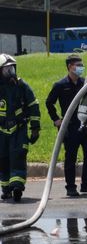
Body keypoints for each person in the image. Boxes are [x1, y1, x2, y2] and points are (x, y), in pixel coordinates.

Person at [46, 54, 87, 197]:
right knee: (71, 157)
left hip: (85, 125)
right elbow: (49, 102)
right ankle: (70, 187)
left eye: (82, 65)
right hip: (70, 126)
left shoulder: (84, 83)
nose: (81, 68)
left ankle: (86, 184)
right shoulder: (60, 85)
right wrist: (56, 119)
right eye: (78, 65)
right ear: (70, 67)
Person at [0, 54, 40, 202]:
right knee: (2, 159)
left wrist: (35, 127)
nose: (10, 73)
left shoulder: (21, 86)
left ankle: (17, 187)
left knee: (18, 157)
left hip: (19, 129)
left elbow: (33, 105)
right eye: (6, 70)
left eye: (12, 69)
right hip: (1, 131)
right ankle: (6, 188)